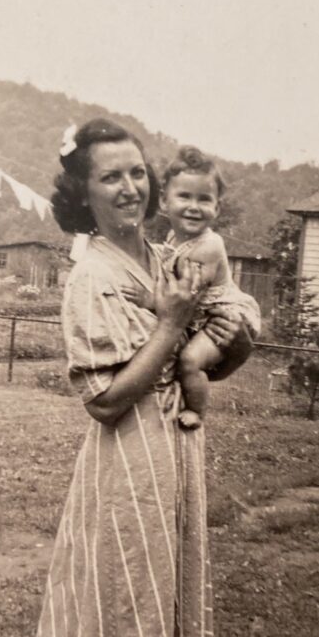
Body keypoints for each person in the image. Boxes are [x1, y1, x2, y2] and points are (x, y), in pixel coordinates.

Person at [7, 119, 251, 637]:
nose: (130, 187)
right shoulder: (94, 274)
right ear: (83, 192)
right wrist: (174, 324)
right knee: (125, 621)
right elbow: (106, 399)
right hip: (127, 466)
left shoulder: (169, 256)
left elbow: (210, 343)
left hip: (174, 458)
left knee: (164, 610)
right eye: (110, 176)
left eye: (137, 172)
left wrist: (216, 340)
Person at [125, 145, 260, 430]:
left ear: (217, 207)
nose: (194, 207)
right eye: (184, 196)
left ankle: (197, 410)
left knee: (190, 360)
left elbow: (185, 298)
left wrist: (149, 300)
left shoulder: (209, 246)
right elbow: (167, 257)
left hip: (223, 318)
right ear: (164, 201)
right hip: (203, 315)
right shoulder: (176, 237)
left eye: (204, 199)